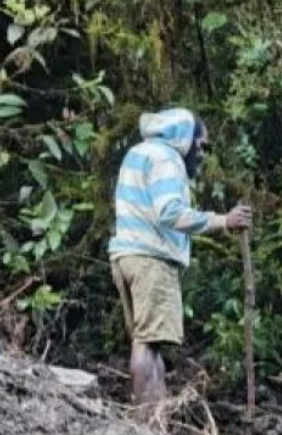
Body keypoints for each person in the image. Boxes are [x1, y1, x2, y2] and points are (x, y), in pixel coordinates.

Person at [108, 107, 253, 413]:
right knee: (147, 343)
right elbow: (169, 212)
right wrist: (222, 221)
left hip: (127, 255)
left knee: (148, 340)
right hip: (150, 260)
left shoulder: (140, 152)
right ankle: (146, 423)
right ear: (186, 139)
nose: (203, 155)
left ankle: (157, 420)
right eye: (202, 147)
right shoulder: (167, 159)